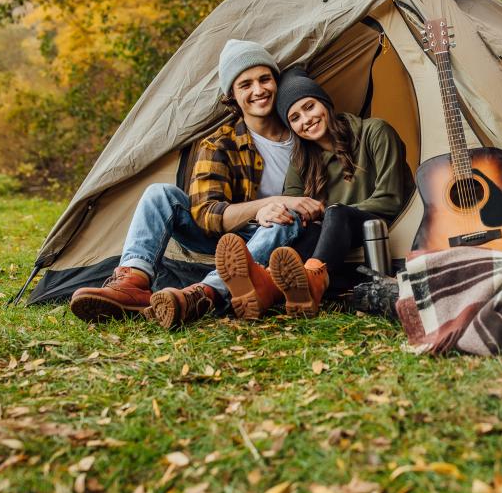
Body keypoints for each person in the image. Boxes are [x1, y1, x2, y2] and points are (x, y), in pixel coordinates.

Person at [69, 40, 323, 328]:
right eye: (245, 85)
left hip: (281, 238)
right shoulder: (220, 144)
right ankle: (133, 283)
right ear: (232, 96)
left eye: (265, 79)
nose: (258, 90)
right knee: (159, 193)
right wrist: (263, 207)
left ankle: (205, 293)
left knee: (283, 219)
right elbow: (207, 213)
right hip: (226, 237)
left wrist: (283, 209)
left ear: (276, 82)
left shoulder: (303, 130)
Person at [213, 67, 414, 318]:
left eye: (309, 107)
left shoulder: (375, 132)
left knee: (336, 214)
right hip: (336, 250)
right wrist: (266, 211)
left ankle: (311, 281)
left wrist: (331, 214)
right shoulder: (302, 160)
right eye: (295, 118)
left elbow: (391, 199)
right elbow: (292, 207)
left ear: (325, 103)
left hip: (380, 230)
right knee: (298, 226)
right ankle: (267, 284)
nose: (305, 120)